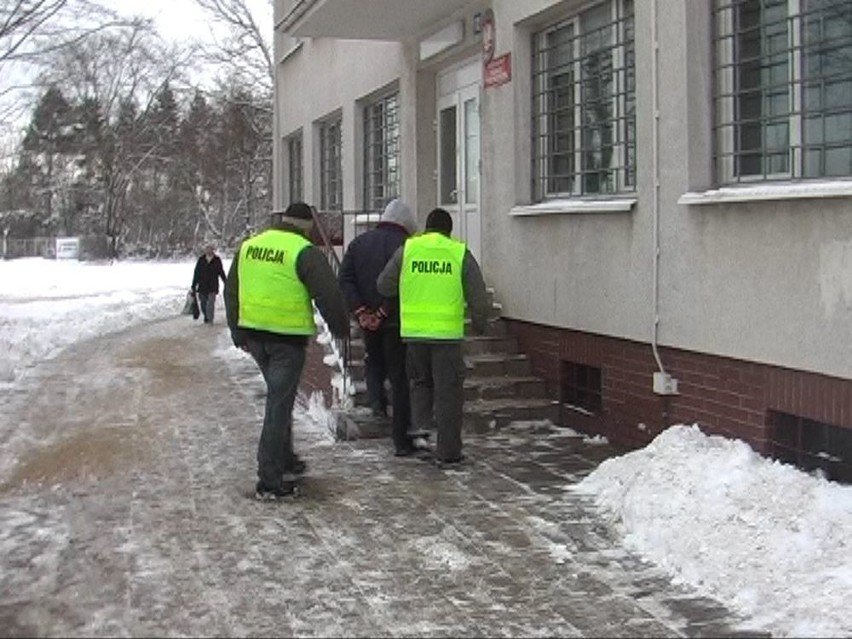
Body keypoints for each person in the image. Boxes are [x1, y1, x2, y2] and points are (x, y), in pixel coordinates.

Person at [223, 202, 349, 500]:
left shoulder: (250, 247)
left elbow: (231, 291)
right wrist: (341, 328)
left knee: (282, 399)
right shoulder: (303, 251)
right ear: (306, 227)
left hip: (255, 338)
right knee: (278, 407)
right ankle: (270, 479)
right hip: (286, 342)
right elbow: (328, 294)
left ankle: (286, 458)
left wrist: (236, 331)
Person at [377, 208, 489, 467]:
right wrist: (480, 323)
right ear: (448, 230)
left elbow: (383, 284)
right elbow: (478, 295)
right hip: (446, 337)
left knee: (419, 384)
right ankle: (448, 451)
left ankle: (422, 430)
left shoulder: (408, 250)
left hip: (414, 335)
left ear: (426, 227)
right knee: (448, 393)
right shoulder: (458, 252)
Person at [339, 198, 423, 456]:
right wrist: (383, 311)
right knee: (399, 376)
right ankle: (401, 438)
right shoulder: (408, 246)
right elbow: (406, 284)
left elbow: (345, 278)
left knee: (373, 360)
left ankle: (377, 404)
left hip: (367, 320)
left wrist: (361, 311)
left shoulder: (358, 243)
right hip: (396, 320)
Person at [191, 242, 227, 324]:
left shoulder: (217, 260)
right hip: (202, 285)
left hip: (212, 286)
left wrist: (225, 281)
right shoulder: (201, 260)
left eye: (210, 249)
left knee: (210, 303)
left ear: (213, 250)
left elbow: (221, 272)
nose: (208, 251)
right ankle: (206, 316)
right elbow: (196, 273)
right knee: (203, 303)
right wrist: (193, 284)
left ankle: (210, 319)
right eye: (207, 249)